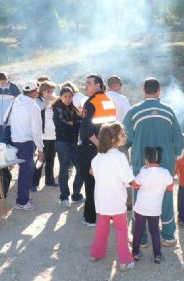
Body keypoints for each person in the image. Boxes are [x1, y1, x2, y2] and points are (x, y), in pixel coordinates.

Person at [123, 77, 184, 246]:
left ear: (143, 90)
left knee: (139, 198)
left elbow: (124, 140)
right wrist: (177, 157)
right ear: (159, 91)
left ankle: (140, 238)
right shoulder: (169, 111)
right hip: (165, 164)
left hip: (140, 164)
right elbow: (178, 141)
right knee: (165, 196)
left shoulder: (134, 112)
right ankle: (168, 236)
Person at [89, 122, 135, 272]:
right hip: (117, 200)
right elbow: (128, 179)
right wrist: (138, 183)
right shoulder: (120, 157)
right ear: (114, 139)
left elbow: (91, 172)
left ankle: (96, 254)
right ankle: (125, 261)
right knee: (121, 230)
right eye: (122, 134)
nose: (125, 136)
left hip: (102, 199)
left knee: (102, 227)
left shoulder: (98, 157)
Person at [79, 74, 117, 226]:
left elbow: (86, 131)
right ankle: (109, 215)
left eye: (89, 83)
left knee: (90, 183)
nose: (85, 85)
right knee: (106, 183)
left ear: (98, 85)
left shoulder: (90, 102)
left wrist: (99, 146)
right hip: (107, 148)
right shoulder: (110, 101)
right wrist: (107, 147)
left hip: (92, 149)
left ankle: (90, 218)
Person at [132, 147, 173, 264]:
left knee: (138, 230)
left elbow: (135, 185)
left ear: (146, 160)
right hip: (155, 209)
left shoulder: (143, 172)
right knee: (155, 231)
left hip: (140, 208)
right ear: (160, 160)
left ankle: (135, 253)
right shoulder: (165, 173)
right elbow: (170, 187)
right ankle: (157, 255)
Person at [7, 81, 44, 211]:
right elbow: (36, 130)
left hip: (15, 140)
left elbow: (9, 119)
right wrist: (41, 148)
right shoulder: (34, 107)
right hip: (27, 142)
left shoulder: (16, 101)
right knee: (26, 172)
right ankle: (22, 201)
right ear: (34, 92)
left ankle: (24, 197)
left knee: (25, 171)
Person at [52, 86, 83, 207]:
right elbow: (63, 126)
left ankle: (76, 194)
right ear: (61, 96)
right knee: (64, 170)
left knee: (80, 169)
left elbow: (79, 122)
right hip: (62, 143)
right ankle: (64, 196)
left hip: (74, 142)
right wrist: (74, 123)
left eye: (70, 96)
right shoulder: (57, 108)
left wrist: (73, 123)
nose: (68, 99)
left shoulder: (73, 108)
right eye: (65, 96)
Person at [32, 80, 58, 191]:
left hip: (53, 135)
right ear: (42, 91)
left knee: (51, 159)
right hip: (43, 136)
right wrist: (47, 101)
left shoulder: (53, 100)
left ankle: (50, 181)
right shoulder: (37, 101)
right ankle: (34, 183)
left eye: (52, 91)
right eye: (48, 91)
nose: (51, 93)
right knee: (40, 159)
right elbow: (38, 110)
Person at [0, 72, 21, 143]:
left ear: (7, 79)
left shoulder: (13, 87)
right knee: (0, 139)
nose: (1, 85)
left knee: (9, 139)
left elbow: (20, 100)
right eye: (0, 83)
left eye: (3, 83)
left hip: (10, 120)